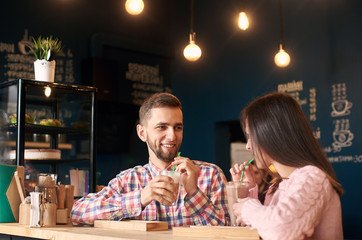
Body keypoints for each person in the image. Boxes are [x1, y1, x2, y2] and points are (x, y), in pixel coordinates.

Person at [70, 92, 229, 227]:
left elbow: (229, 231)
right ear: (142, 133)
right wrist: (140, 198)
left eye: (177, 127)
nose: (172, 135)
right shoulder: (129, 180)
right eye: (162, 127)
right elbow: (78, 212)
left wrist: (194, 194)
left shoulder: (210, 175)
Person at [230, 92, 343, 240]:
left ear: (271, 134)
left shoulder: (312, 176)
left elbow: (280, 231)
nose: (248, 146)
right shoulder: (277, 186)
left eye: (251, 136)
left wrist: (247, 207)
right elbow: (264, 230)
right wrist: (249, 189)